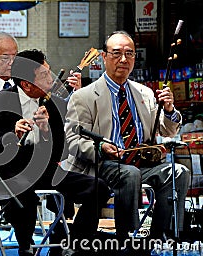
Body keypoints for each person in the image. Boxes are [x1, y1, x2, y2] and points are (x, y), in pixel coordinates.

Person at [0, 49, 111, 256]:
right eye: (45, 75)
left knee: (98, 187)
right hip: (9, 173)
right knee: (23, 191)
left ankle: (75, 244)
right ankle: (26, 247)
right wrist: (12, 134)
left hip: (45, 172)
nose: (52, 79)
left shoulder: (55, 104)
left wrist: (46, 132)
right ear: (27, 84)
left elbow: (64, 150)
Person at [64, 31, 190, 242]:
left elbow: (167, 131)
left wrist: (169, 110)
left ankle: (163, 237)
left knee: (178, 172)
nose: (123, 59)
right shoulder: (83, 96)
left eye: (129, 54)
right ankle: (128, 238)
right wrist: (101, 147)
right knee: (129, 174)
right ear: (104, 57)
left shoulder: (145, 93)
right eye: (116, 53)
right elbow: (74, 141)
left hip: (142, 164)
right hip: (101, 165)